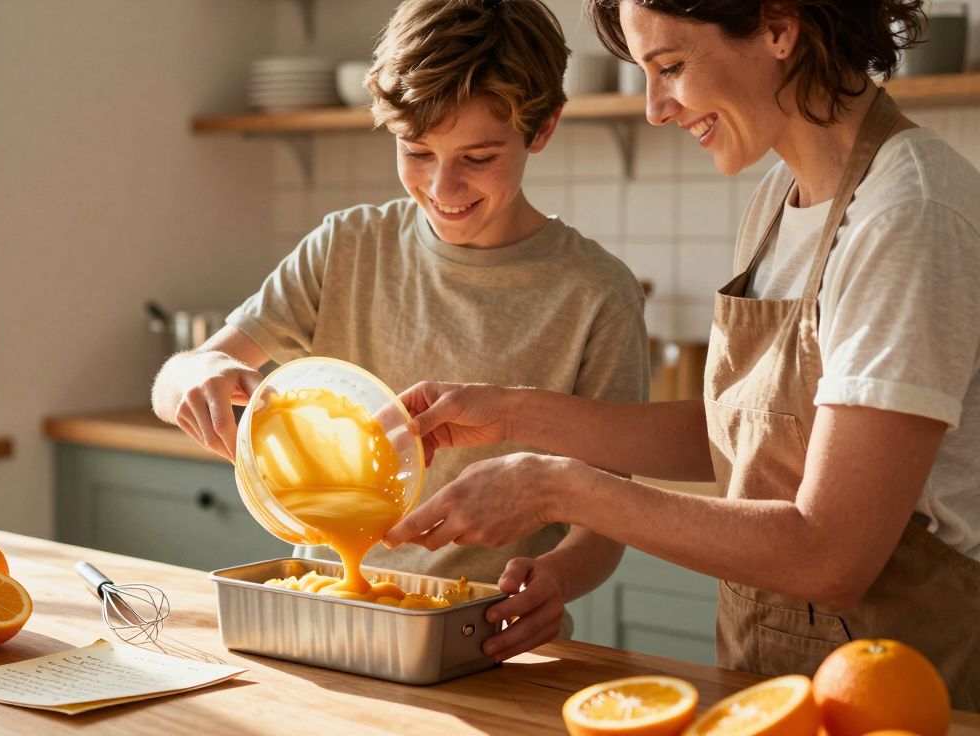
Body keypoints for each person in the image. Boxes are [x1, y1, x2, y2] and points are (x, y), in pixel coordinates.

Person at [382, 0, 980, 707]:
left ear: (779, 27)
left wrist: (557, 487)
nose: (655, 109)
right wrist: (510, 414)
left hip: (907, 698)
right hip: (773, 687)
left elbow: (831, 555)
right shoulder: (778, 202)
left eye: (669, 67)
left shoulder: (907, 213)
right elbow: (745, 436)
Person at [151, 0, 649, 660]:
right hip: (327, 624)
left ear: (543, 126)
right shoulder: (346, 248)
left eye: (477, 156)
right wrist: (194, 375)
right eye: (416, 151)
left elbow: (605, 521)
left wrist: (555, 576)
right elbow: (178, 377)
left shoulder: (595, 293)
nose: (443, 187)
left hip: (486, 643)